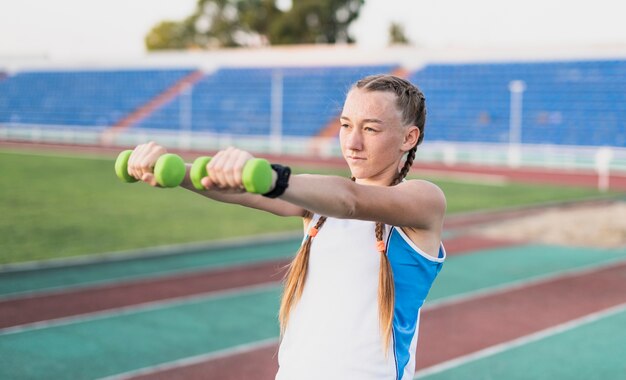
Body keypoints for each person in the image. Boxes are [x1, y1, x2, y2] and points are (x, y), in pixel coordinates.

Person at [126, 74, 446, 380]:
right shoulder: (318, 208)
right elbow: (247, 192)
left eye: (371, 129)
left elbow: (352, 200)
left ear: (409, 137)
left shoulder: (424, 201)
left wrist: (270, 176)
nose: (352, 142)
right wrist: (170, 172)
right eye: (346, 125)